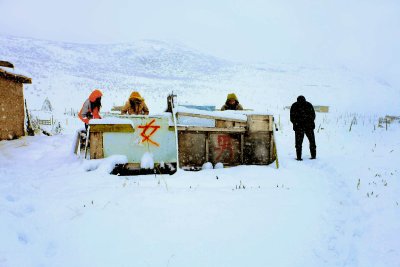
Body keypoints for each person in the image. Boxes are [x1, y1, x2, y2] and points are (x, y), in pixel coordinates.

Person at [290, 95, 317, 160]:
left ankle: (299, 157)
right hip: (308, 127)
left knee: (298, 143)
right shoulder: (308, 105)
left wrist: (297, 123)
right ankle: (313, 156)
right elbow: (313, 116)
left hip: (299, 127)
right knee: (312, 142)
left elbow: (292, 117)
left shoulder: (294, 105)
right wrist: (308, 122)